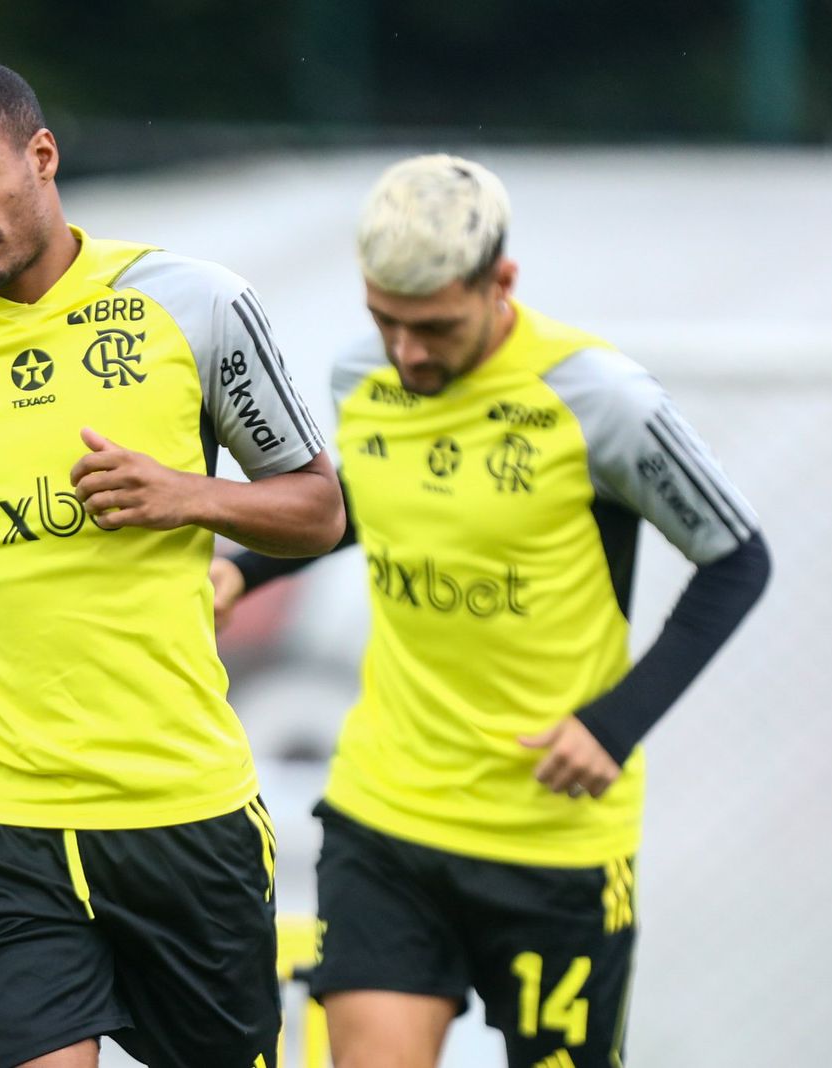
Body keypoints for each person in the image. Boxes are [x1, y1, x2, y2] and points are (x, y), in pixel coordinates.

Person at [0, 58, 344, 1068]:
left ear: (42, 156)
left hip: (182, 816)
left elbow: (317, 510)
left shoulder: (191, 306)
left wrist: (188, 494)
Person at [212, 154, 772, 1068]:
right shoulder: (365, 376)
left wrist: (615, 723)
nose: (407, 352)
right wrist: (247, 569)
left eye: (431, 326)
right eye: (385, 321)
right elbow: (376, 498)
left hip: (552, 837)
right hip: (387, 811)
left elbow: (738, 559)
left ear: (501, 281)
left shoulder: (602, 400)